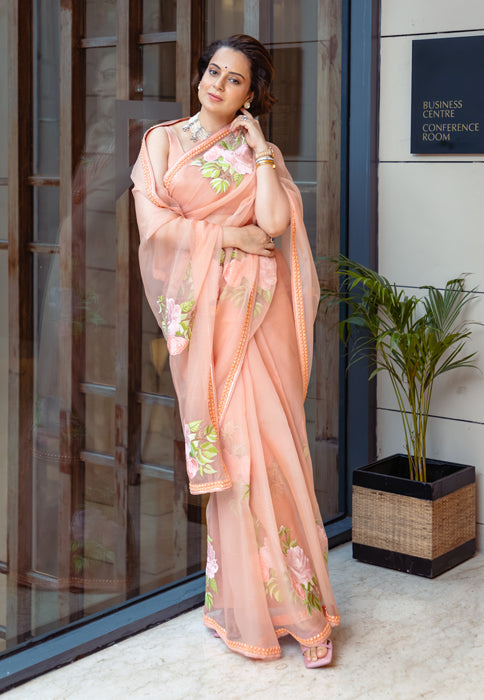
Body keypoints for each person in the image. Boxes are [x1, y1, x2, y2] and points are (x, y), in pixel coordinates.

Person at [131, 34, 340, 667]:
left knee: (274, 454)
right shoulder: (162, 142)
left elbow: (274, 225)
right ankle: (245, 607)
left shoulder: (257, 152)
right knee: (236, 462)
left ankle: (306, 613)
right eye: (213, 72)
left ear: (252, 94)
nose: (218, 85)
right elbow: (156, 229)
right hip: (210, 322)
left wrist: (261, 150)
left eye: (235, 79)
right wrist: (227, 235)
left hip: (257, 319)